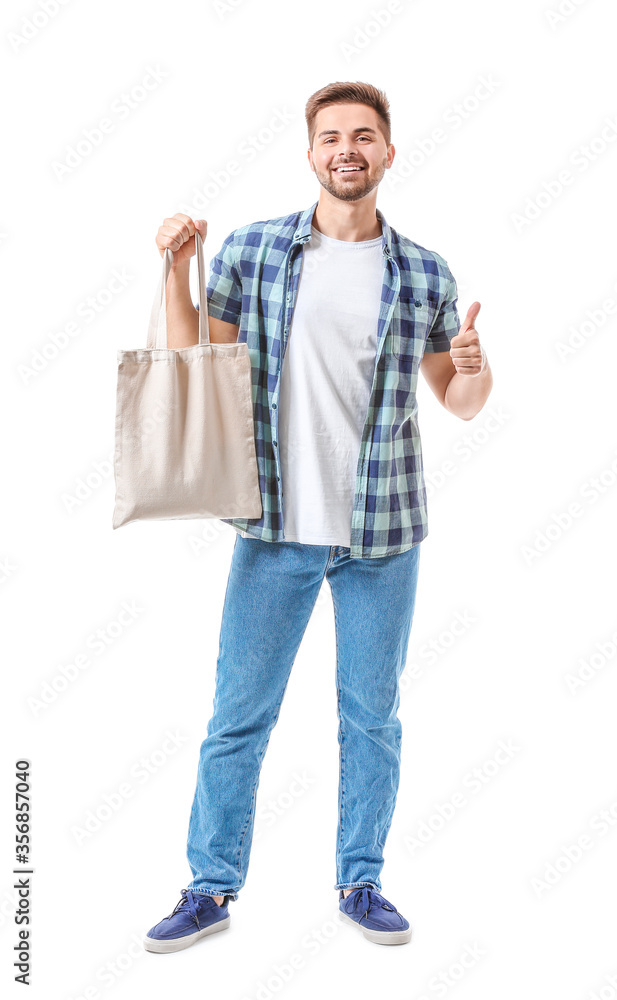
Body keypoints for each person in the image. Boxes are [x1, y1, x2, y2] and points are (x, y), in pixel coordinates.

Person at [144, 80, 493, 953]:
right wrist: (171, 267)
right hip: (273, 529)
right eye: (331, 135)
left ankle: (360, 879)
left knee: (370, 716)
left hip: (382, 537)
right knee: (237, 716)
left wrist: (473, 364)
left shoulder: (423, 271)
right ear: (310, 154)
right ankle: (210, 889)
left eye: (365, 135)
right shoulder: (257, 250)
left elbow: (459, 401)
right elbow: (196, 356)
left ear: (386, 153)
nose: (348, 148)